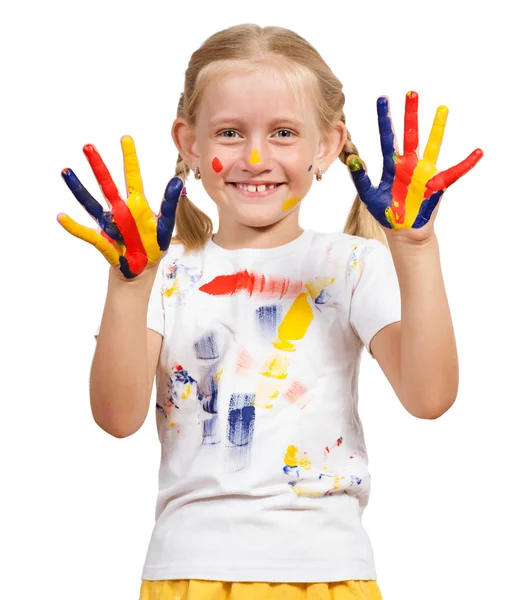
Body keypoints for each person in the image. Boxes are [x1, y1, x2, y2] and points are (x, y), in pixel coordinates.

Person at [57, 23, 482, 600]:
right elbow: (116, 416)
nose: (255, 157)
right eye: (230, 132)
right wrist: (129, 285)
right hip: (189, 569)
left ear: (327, 146)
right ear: (190, 144)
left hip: (327, 572)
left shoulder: (350, 263)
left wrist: (416, 249)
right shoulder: (167, 270)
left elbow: (430, 397)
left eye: (283, 132)